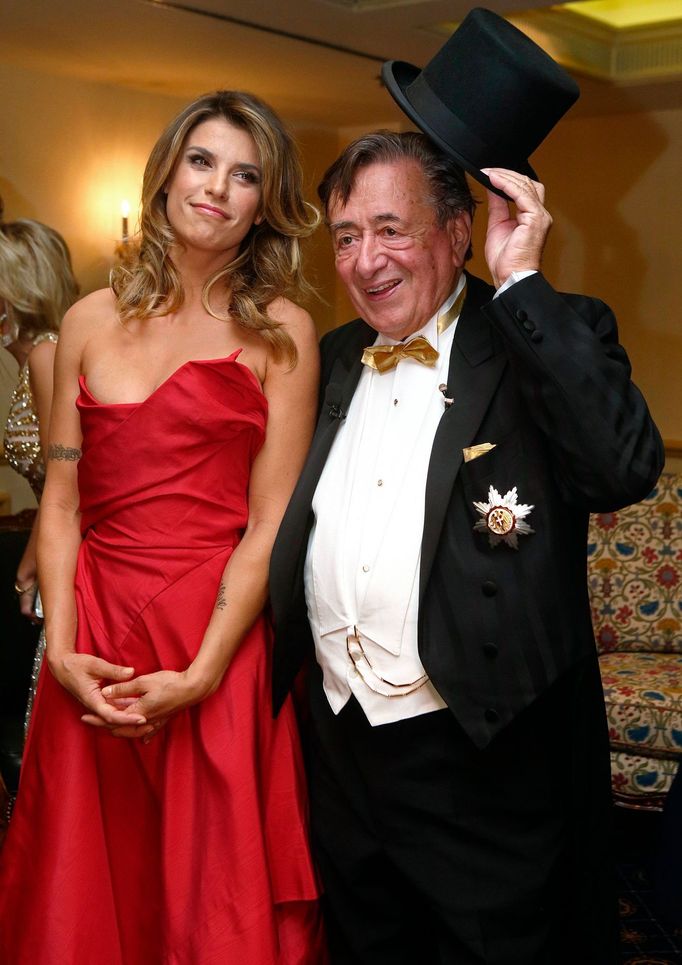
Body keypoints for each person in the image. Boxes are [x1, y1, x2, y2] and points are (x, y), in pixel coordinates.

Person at [270, 11, 664, 965]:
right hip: (342, 756)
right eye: (349, 235)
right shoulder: (324, 359)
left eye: (393, 229)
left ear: (458, 231)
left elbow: (622, 468)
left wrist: (521, 278)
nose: (366, 262)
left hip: (487, 768)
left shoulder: (538, 335)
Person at [0, 90, 325, 963]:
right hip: (95, 636)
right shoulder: (86, 321)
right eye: (202, 160)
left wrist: (205, 670)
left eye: (246, 174)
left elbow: (268, 529)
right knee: (91, 894)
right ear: (167, 173)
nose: (217, 187)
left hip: (215, 639)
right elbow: (61, 502)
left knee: (212, 900)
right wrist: (62, 651)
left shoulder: (285, 334)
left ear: (268, 201)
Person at [1, 219, 79, 727]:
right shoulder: (35, 355)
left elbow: (65, 476)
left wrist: (30, 568)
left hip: (62, 549)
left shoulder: (50, 352)